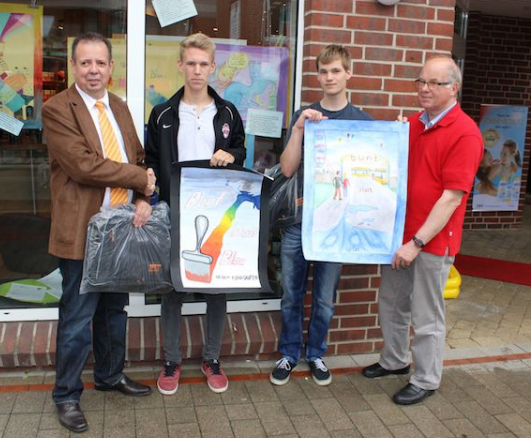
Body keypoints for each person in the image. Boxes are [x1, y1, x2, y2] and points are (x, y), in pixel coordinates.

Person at [42, 32, 156, 433]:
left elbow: (138, 157)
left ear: (111, 67)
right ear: (74, 66)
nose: (93, 70)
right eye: (86, 62)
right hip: (83, 231)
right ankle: (66, 395)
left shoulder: (119, 106)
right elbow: (83, 165)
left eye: (100, 63)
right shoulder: (57, 109)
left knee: (114, 311)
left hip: (120, 228)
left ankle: (109, 376)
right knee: (77, 317)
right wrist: (139, 178)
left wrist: (144, 196)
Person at [362, 57, 483, 405]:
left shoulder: (465, 133)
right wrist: (394, 138)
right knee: (392, 303)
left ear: (454, 88)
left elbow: (451, 198)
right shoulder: (414, 124)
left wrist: (416, 242)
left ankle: (427, 378)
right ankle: (395, 360)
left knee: (427, 314)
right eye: (421, 81)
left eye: (434, 83)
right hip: (400, 236)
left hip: (430, 242)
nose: (424, 88)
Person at [145, 33, 246, 395]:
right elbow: (151, 160)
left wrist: (231, 155)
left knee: (215, 289)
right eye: (191, 63)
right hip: (176, 211)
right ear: (180, 66)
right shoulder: (162, 114)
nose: (197, 70)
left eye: (204, 64)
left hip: (215, 213)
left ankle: (211, 358)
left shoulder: (228, 112)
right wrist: (151, 191)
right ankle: (172, 361)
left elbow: (240, 151)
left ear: (213, 67)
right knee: (173, 288)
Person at [270, 45, 372, 387]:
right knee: (291, 294)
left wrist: (397, 135)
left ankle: (315, 353)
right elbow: (287, 168)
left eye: (336, 71)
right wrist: (299, 128)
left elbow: (373, 168)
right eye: (324, 71)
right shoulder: (305, 114)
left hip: (337, 224)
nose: (329, 77)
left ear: (348, 74)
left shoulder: (362, 121)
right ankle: (289, 353)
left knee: (325, 299)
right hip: (299, 222)